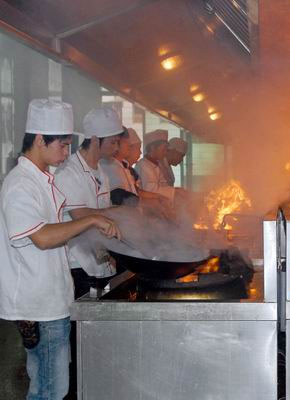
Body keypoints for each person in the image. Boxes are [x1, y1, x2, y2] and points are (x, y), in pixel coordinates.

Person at [0, 99, 120, 399]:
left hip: (52, 298)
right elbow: (41, 237)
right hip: (39, 305)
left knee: (48, 387)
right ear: (40, 139)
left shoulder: (42, 180)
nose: (67, 153)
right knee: (50, 390)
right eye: (63, 145)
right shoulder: (20, 185)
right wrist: (91, 218)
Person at [54, 106, 124, 298]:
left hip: (99, 260)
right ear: (94, 140)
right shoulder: (68, 172)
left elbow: (104, 216)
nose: (117, 148)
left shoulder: (101, 172)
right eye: (113, 142)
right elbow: (81, 215)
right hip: (78, 265)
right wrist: (123, 214)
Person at [135, 129, 175, 201]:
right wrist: (175, 192)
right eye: (164, 149)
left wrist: (176, 191)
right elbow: (151, 190)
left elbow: (164, 185)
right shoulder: (143, 165)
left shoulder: (158, 164)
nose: (165, 153)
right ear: (152, 148)